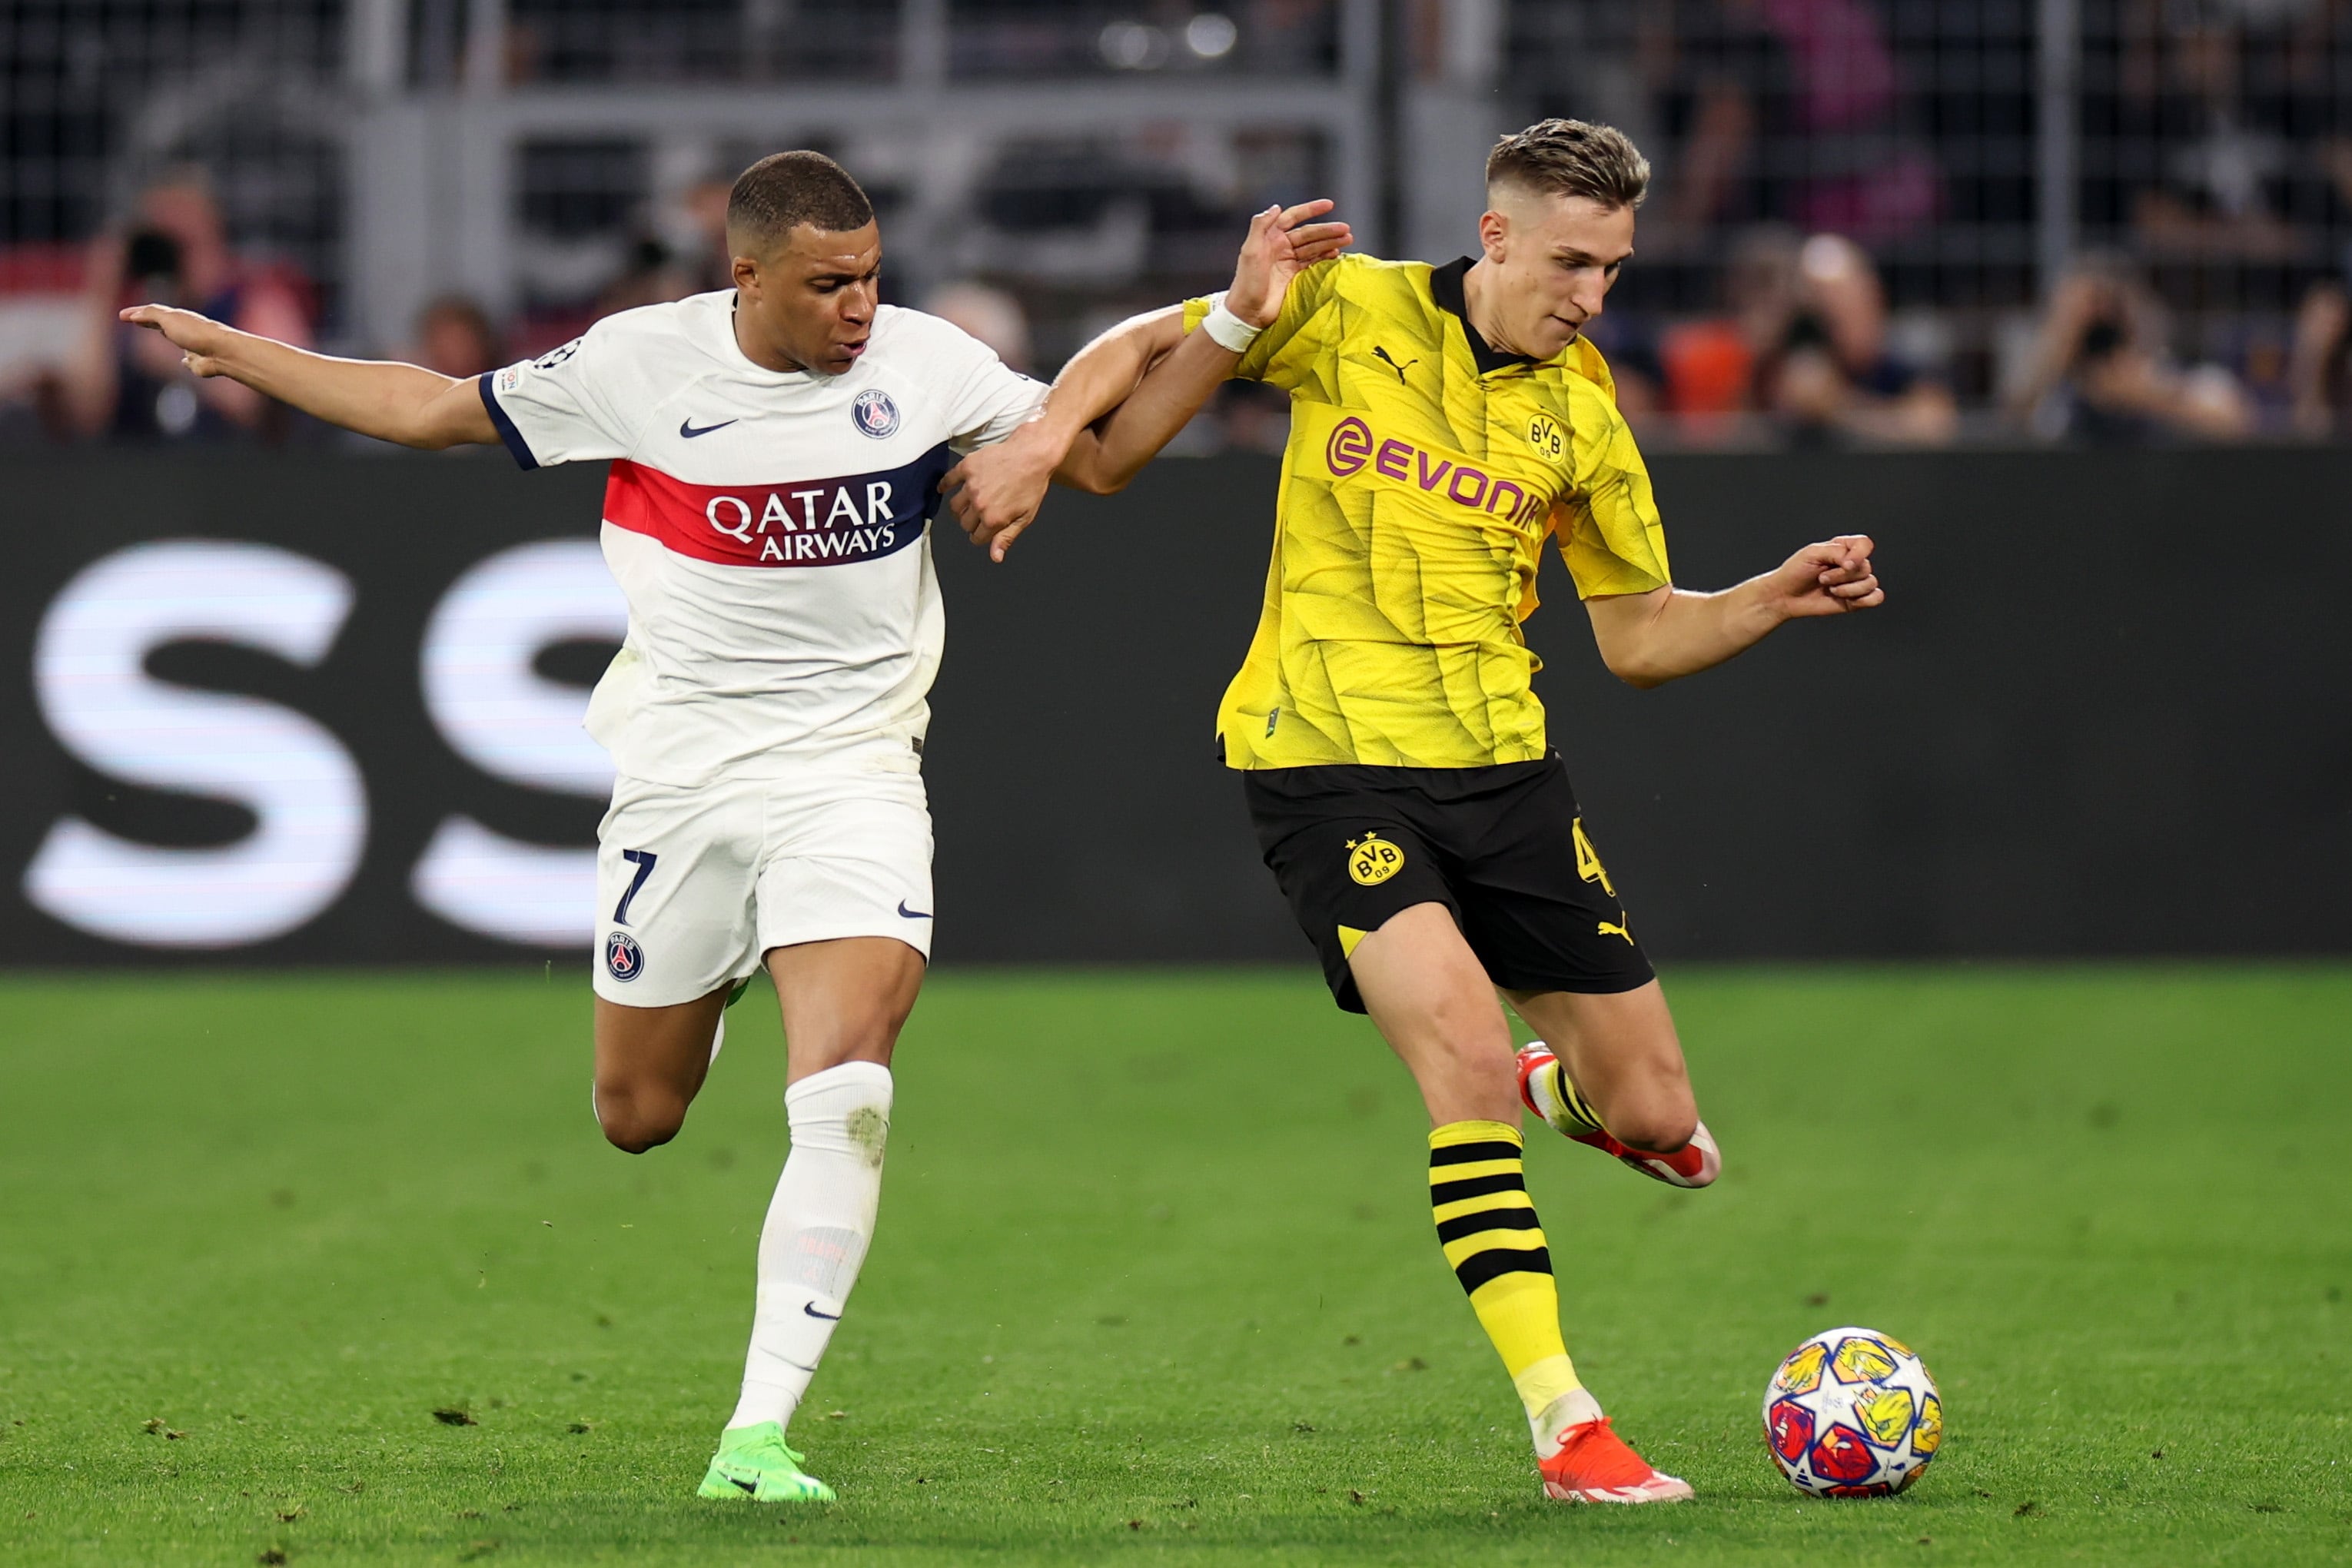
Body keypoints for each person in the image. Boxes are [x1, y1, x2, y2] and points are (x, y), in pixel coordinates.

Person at [117, 149, 1349, 1504]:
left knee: (850, 1085)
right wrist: (238, 350)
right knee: (640, 1113)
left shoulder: (925, 367)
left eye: (873, 277)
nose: (861, 308)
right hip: (684, 784)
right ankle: (723, 983)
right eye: (830, 284)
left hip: (853, 774)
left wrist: (1230, 322)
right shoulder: (639, 366)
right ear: (744, 275)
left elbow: (1103, 443)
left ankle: (756, 1438)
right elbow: (425, 409)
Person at [945, 118, 1885, 1505]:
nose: (1592, 294)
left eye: (1616, 270)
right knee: (1454, 1057)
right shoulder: (1348, 303)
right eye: (1574, 260)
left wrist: (1771, 596)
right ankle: (1568, 1426)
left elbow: (1635, 637)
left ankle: (1555, 1088)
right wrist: (1038, 443)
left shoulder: (1584, 414)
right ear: (1496, 235)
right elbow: (1143, 348)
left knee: (1657, 1114)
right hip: (1322, 759)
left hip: (1505, 777)